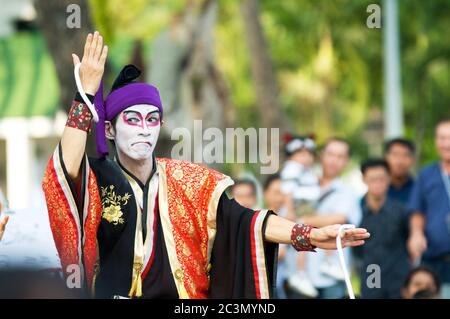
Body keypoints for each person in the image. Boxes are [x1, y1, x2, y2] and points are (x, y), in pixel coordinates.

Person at [41, 31, 369, 299]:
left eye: (152, 119)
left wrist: (307, 235)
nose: (144, 128)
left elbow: (247, 223)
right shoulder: (100, 178)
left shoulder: (190, 180)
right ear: (110, 129)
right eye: (133, 118)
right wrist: (85, 94)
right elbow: (65, 170)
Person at [302, 138, 362, 299]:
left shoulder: (347, 192)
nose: (334, 160)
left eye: (340, 156)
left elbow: (341, 219)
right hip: (302, 277)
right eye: (330, 154)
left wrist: (304, 219)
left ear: (346, 161)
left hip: (333, 276)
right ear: (322, 155)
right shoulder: (304, 185)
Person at [354, 159, 410, 299]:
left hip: (399, 278)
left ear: (389, 179)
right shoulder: (356, 211)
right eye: (372, 179)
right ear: (364, 180)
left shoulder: (401, 211)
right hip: (371, 276)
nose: (377, 184)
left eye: (382, 179)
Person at [408, 119, 450, 299]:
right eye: (442, 138)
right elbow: (418, 211)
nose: (446, 143)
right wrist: (416, 233)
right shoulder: (427, 174)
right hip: (435, 259)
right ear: (436, 141)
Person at [279, 134, 321, 298]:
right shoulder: (292, 168)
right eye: (301, 153)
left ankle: (302, 273)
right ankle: (300, 274)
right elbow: (288, 191)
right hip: (297, 208)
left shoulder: (307, 171)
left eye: (309, 153)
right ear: (292, 155)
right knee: (302, 240)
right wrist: (290, 210)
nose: (306, 157)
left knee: (304, 240)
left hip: (306, 209)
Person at [384, 138, 415, 205]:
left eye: (405, 155)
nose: (400, 161)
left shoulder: (419, 189)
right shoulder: (379, 190)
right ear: (386, 158)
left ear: (413, 160)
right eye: (395, 155)